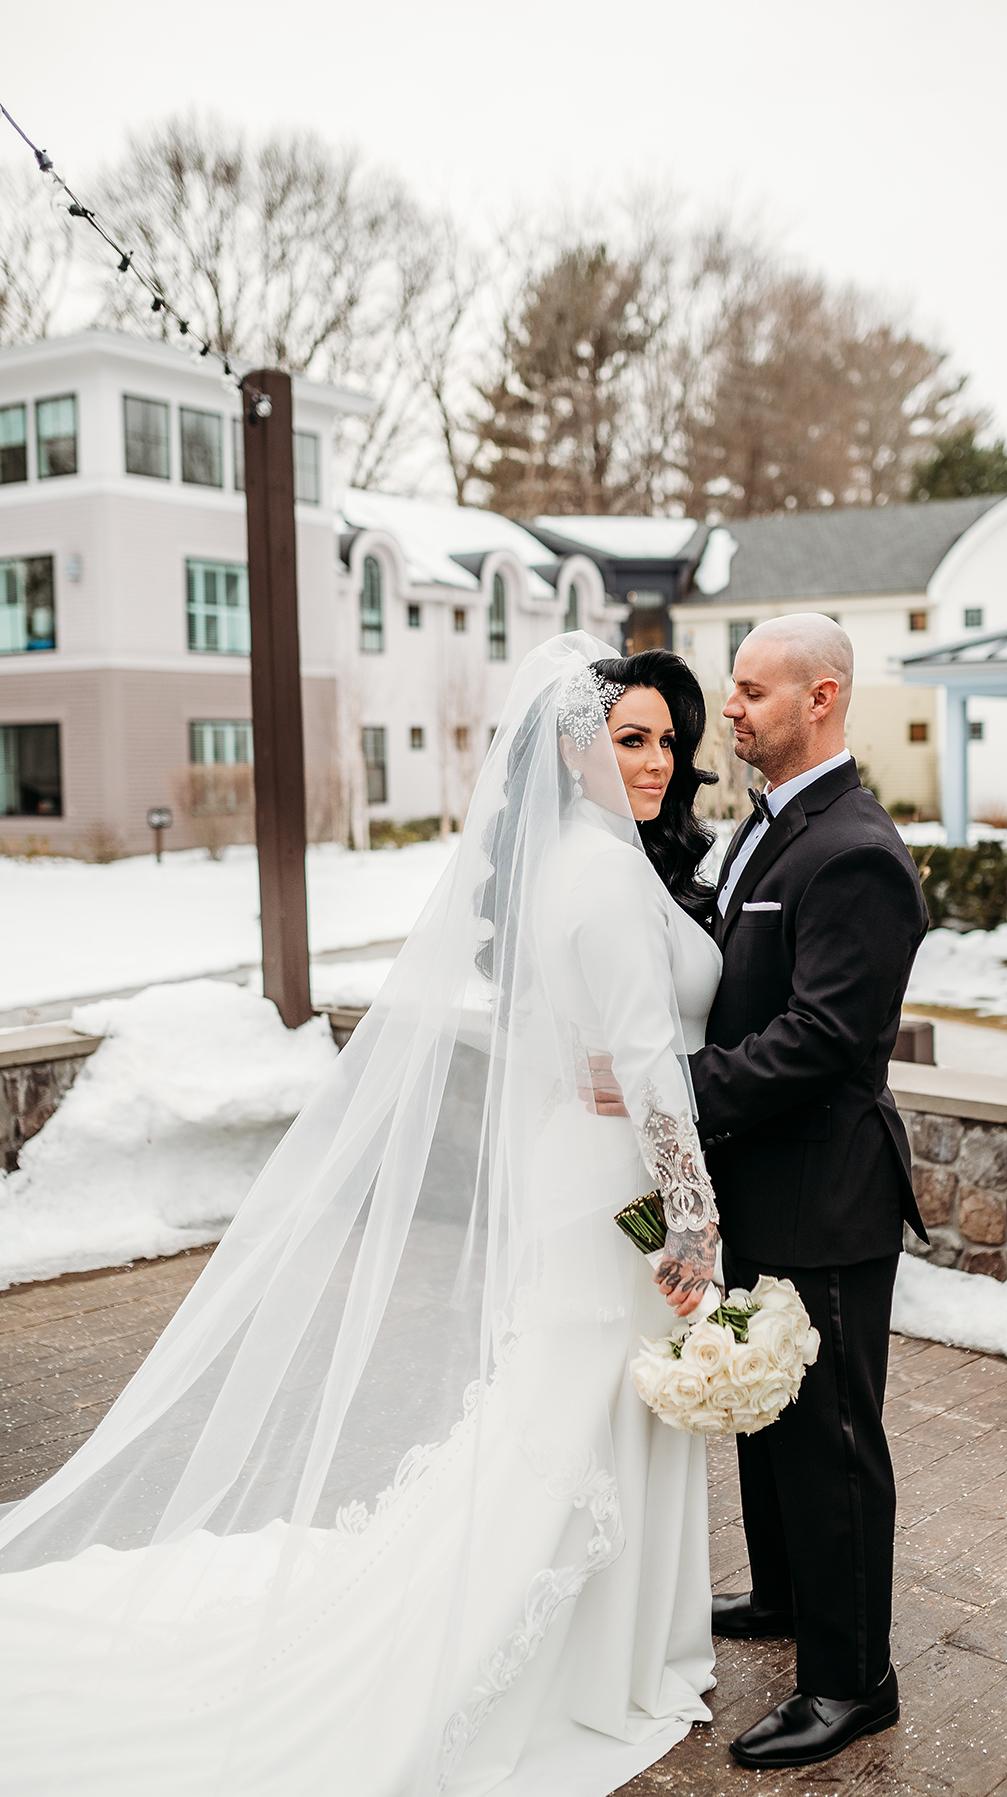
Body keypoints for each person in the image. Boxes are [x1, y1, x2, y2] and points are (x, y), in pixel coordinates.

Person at [0, 635, 726, 1796]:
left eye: (668, 742)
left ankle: (613, 1649)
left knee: (582, 1415)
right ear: (570, 751)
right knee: (586, 1420)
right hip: (617, 1188)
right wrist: (693, 1224)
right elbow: (644, 1060)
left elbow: (597, 1045)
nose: (658, 761)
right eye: (629, 740)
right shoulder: (595, 869)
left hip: (581, 1169)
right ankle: (589, 1666)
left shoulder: (588, 861)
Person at [589, 613, 930, 1771]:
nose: (722, 713)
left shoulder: (857, 850)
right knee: (769, 1412)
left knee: (833, 1440)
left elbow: (826, 1040)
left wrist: (666, 1094)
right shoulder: (769, 829)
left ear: (821, 700)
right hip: (761, 1184)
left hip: (829, 1192)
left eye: (748, 692)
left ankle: (852, 1682)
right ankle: (786, 1598)